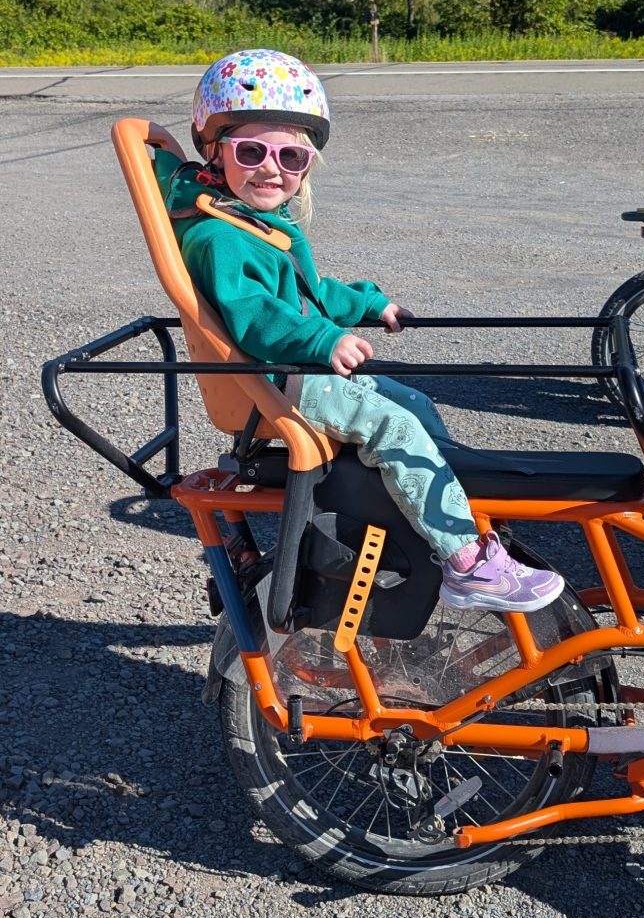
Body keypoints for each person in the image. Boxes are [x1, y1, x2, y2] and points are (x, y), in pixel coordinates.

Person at [156, 48, 564, 614]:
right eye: (251, 151)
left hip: (295, 370)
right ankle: (467, 563)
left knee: (412, 404)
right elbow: (256, 317)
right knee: (394, 426)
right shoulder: (220, 237)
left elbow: (311, 292)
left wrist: (372, 305)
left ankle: (443, 512)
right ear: (214, 152)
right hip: (281, 379)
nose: (271, 169)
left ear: (306, 165)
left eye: (291, 156)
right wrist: (324, 340)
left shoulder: (249, 222)